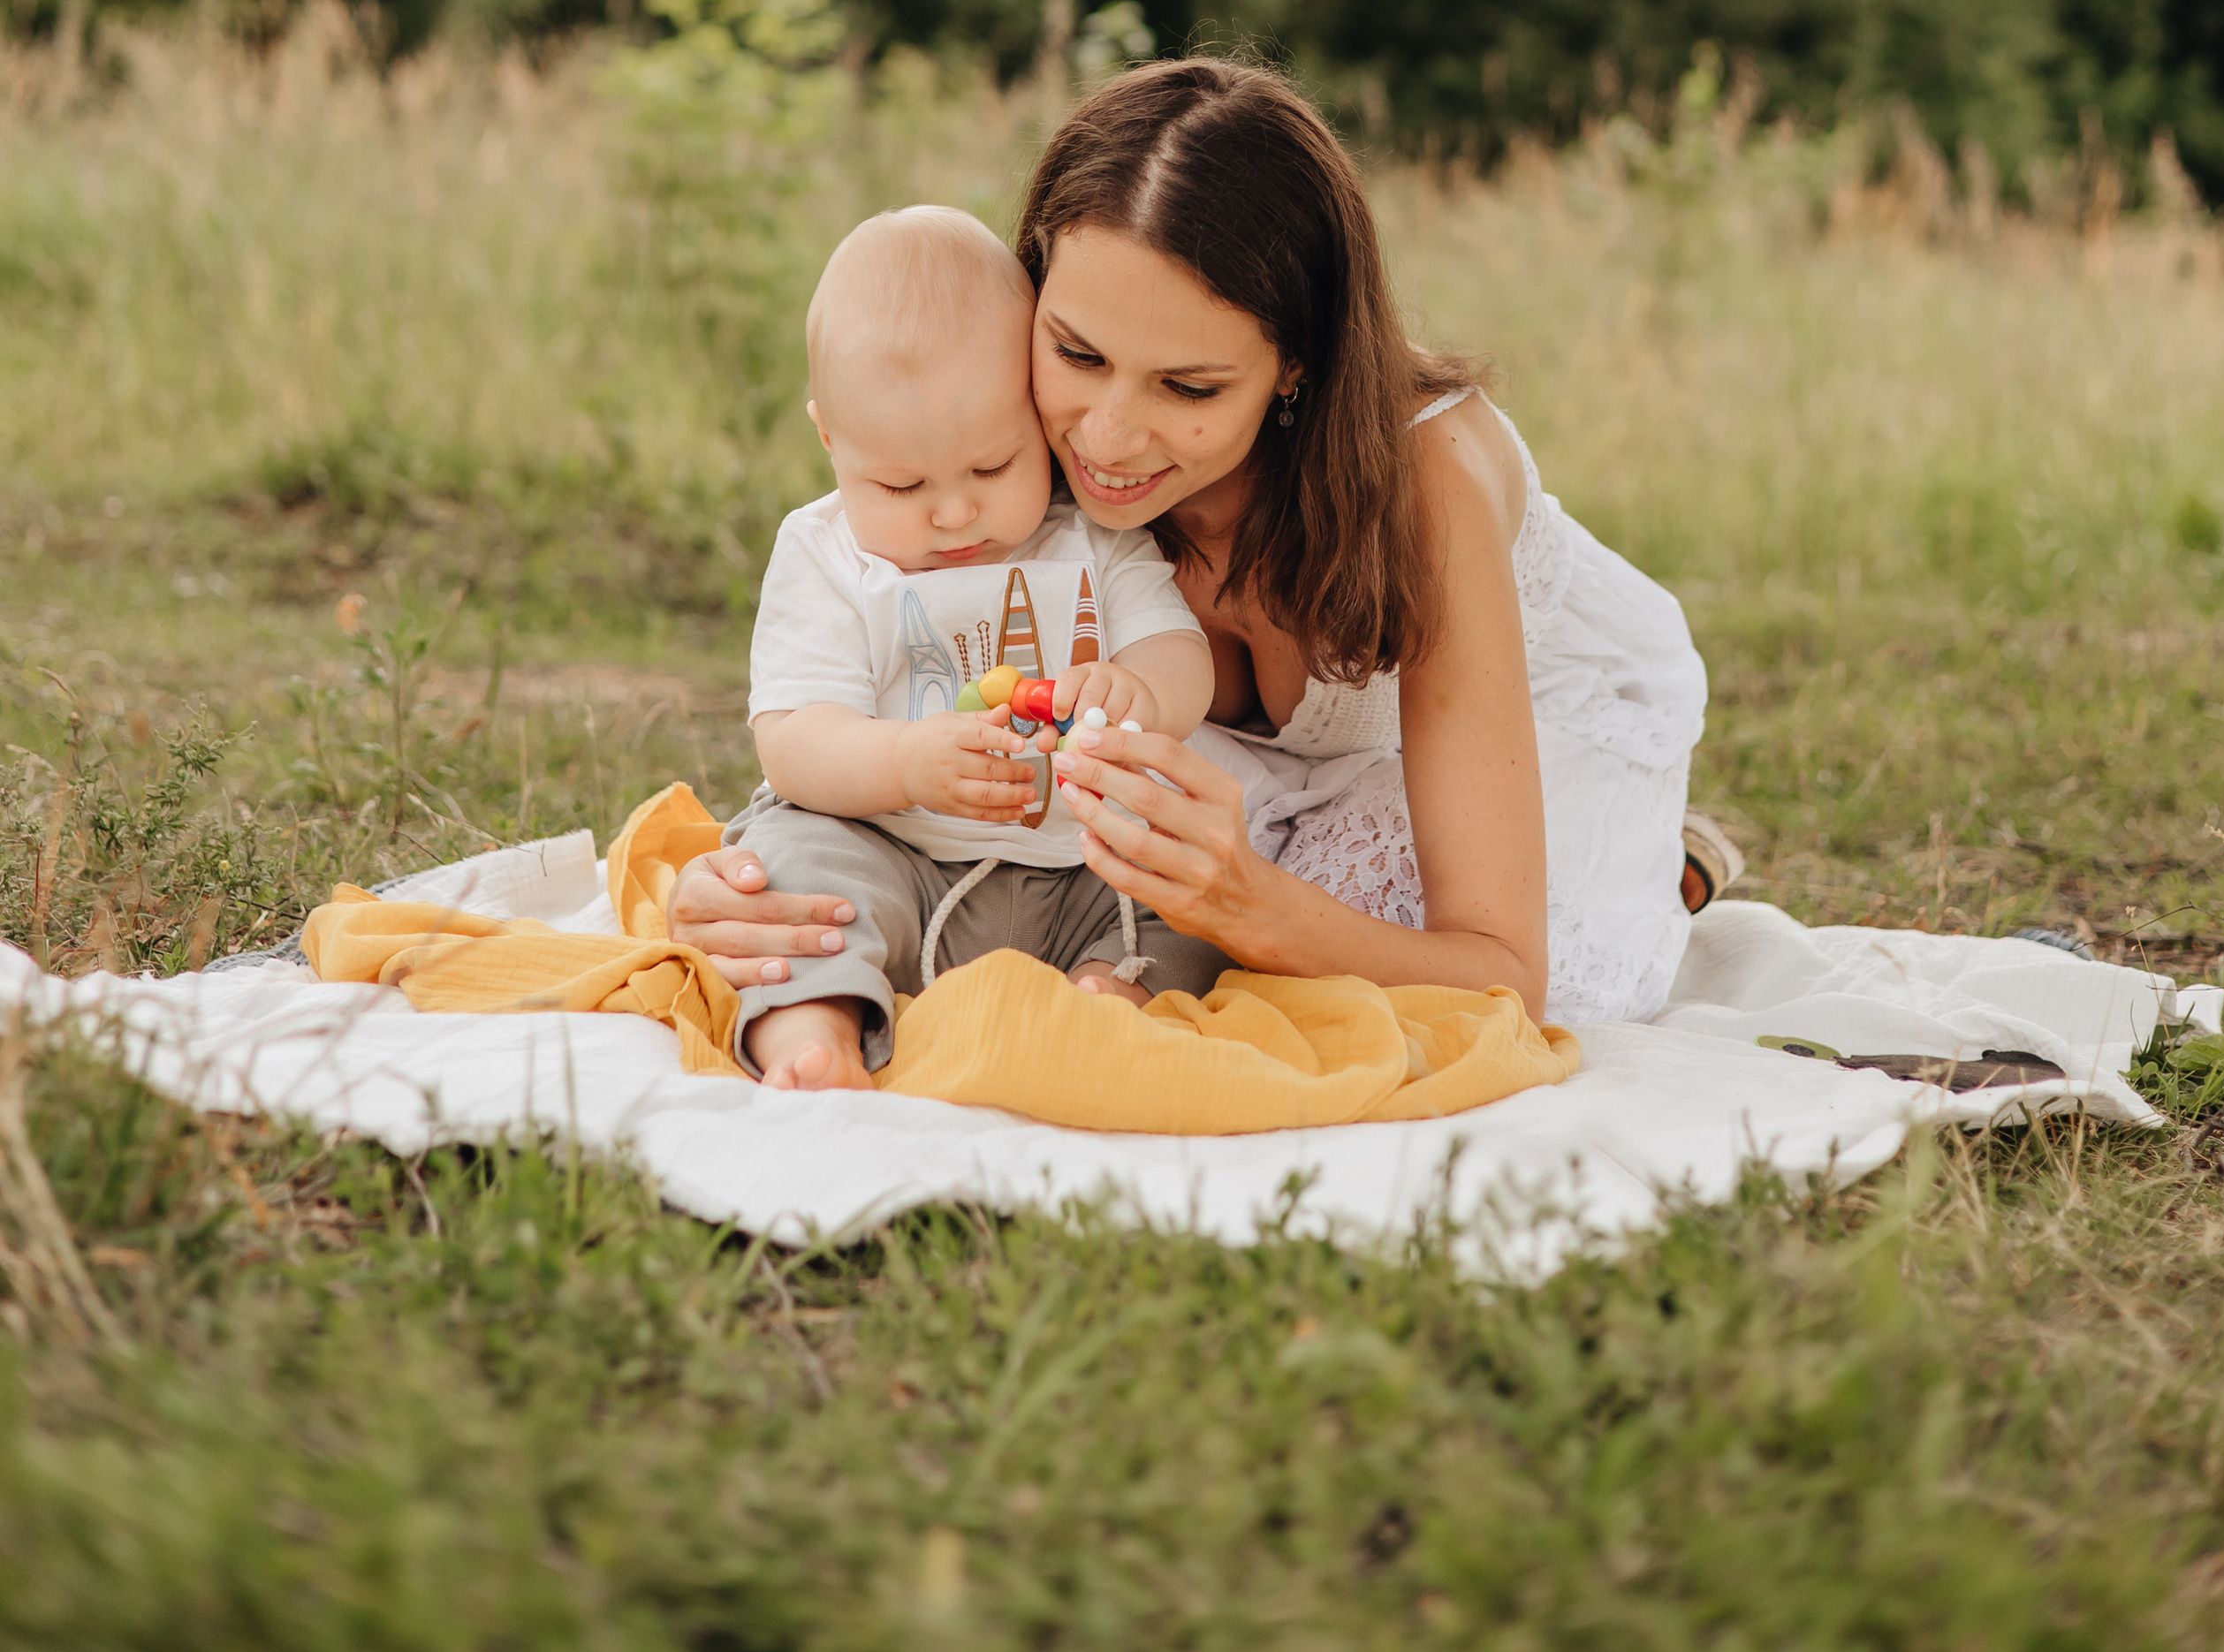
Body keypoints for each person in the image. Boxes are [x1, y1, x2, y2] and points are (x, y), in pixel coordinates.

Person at [676, 61, 1712, 1034]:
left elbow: (1499, 975)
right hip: (1257, 759)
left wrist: (1253, 905)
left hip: (1530, 719)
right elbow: (906, 688)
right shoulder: (1001, 448)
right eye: (1077, 352)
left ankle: (1667, 864)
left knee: (1316, 941)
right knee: (1115, 870)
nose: (1108, 439)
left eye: (1190, 388)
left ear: (1295, 366)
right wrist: (753, 883)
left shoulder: (1423, 484)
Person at [731, 202, 1222, 1089]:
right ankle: (814, 1037)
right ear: (829, 439)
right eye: (901, 482)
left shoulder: (1093, 543)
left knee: (1187, 909)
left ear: (1034, 414)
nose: (954, 513)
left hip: (1078, 869)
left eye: (994, 467)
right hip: (891, 854)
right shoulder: (826, 555)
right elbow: (794, 738)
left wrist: (1136, 690)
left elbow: (1181, 657)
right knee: (793, 880)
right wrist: (904, 764)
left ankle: (1102, 996)